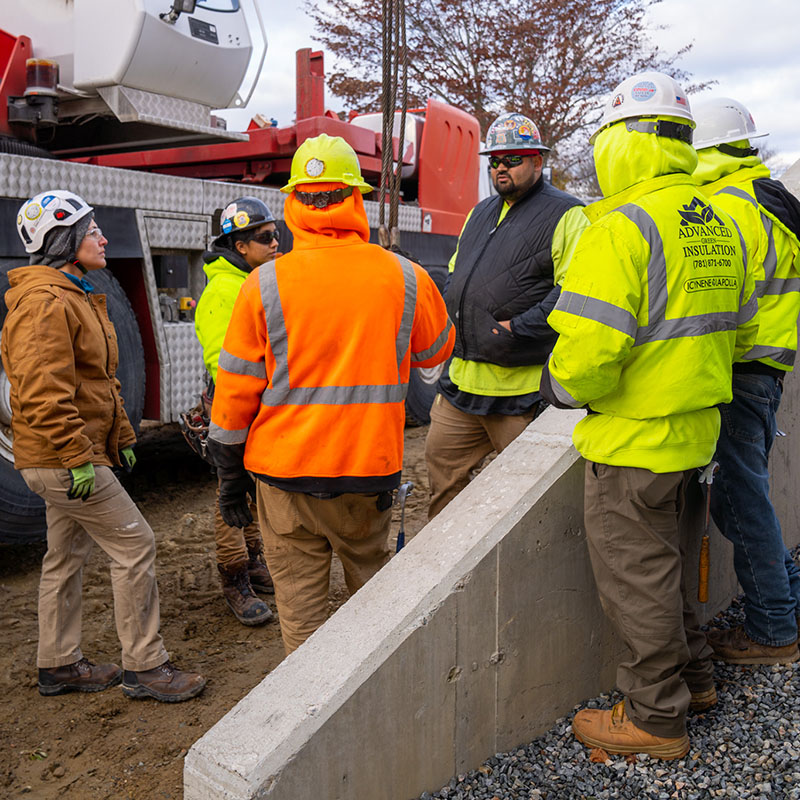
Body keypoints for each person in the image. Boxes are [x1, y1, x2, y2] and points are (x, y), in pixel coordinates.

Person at [539, 73, 759, 759]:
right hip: (696, 434)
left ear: (619, 144)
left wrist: (558, 385)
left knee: (640, 589)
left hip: (633, 443)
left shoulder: (619, 228)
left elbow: (583, 362)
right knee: (675, 570)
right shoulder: (717, 220)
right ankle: (694, 680)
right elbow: (741, 328)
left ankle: (656, 720)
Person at [207, 134, 454, 654]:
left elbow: (233, 394)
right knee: (371, 604)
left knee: (300, 617)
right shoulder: (403, 276)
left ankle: (308, 716)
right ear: (355, 199)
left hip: (283, 478)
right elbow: (436, 352)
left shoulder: (263, 284)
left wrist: (230, 478)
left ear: (294, 202)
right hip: (366, 476)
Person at [2, 190, 206, 702]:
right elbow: (43, 394)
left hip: (69, 455)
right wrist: (77, 457)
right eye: (93, 230)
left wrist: (124, 437)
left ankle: (59, 664)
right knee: (136, 546)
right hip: (63, 459)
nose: (104, 237)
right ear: (65, 240)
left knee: (64, 554)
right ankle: (146, 666)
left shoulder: (70, 295)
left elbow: (94, 382)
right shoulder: (45, 305)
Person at [424, 111, 588, 519]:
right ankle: (443, 562)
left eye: (512, 159)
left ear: (538, 160)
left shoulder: (568, 214)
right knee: (442, 482)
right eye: (494, 159)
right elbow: (455, 271)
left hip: (521, 391)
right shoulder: (480, 212)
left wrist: (516, 328)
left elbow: (575, 291)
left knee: (530, 502)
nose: (500, 167)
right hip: (461, 385)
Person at [692, 97, 800, 664]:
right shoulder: (771, 198)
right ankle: (785, 605)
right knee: (747, 498)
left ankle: (774, 631)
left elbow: (724, 298)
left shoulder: (726, 209)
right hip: (767, 367)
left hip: (737, 369)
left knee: (741, 504)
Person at [195, 196, 279, 626]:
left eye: (275, 235)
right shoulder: (222, 292)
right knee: (229, 494)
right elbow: (221, 362)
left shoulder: (251, 283)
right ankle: (235, 580)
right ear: (240, 245)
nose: (276, 243)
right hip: (234, 408)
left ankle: (253, 560)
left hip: (255, 405)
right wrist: (237, 417)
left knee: (251, 489)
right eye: (265, 238)